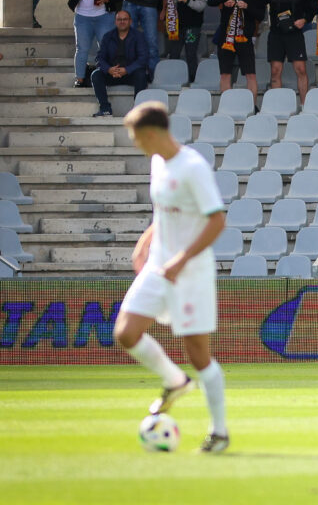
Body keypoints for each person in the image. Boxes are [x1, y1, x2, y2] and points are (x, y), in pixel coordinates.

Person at [113, 101, 230, 452]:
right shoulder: (156, 163)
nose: (136, 144)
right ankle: (174, 380)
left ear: (151, 134)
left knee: (198, 354)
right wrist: (145, 241)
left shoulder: (192, 167)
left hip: (190, 273)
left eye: (136, 138)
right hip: (158, 268)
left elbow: (217, 220)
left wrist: (181, 260)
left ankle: (219, 432)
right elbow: (163, 211)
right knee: (126, 332)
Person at [209, 0, 264, 110]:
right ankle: (226, 107)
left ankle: (252, 107)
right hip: (226, 39)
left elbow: (261, 16)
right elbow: (211, 1)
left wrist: (246, 6)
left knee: (251, 74)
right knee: (225, 74)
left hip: (244, 39)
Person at [91, 10, 148, 117]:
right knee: (96, 74)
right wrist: (109, 69)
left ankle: (138, 111)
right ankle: (105, 109)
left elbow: (143, 58)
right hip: (112, 73)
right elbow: (100, 58)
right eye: (119, 19)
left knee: (141, 75)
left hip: (130, 73)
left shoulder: (138, 36)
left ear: (130, 21)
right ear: (115, 22)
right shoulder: (108, 36)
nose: (122, 22)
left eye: (125, 19)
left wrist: (127, 70)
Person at [263, 0, 314, 104]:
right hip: (276, 34)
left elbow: (312, 9)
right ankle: (278, 106)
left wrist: (304, 20)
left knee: (301, 69)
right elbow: (258, 2)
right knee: (275, 70)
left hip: (295, 34)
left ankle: (304, 105)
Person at [69, 0, 119, 88]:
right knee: (82, 48)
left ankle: (109, 77)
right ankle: (80, 79)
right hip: (82, 16)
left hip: (104, 15)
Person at [164, 0, 208, 83]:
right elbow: (172, 2)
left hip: (193, 27)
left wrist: (186, 0)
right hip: (178, 27)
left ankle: (193, 79)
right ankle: (172, 77)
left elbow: (200, 7)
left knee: (190, 53)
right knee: (174, 53)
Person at [122, 0, 163, 78]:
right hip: (129, 0)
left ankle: (154, 77)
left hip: (149, 2)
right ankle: (129, 75)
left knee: (151, 42)